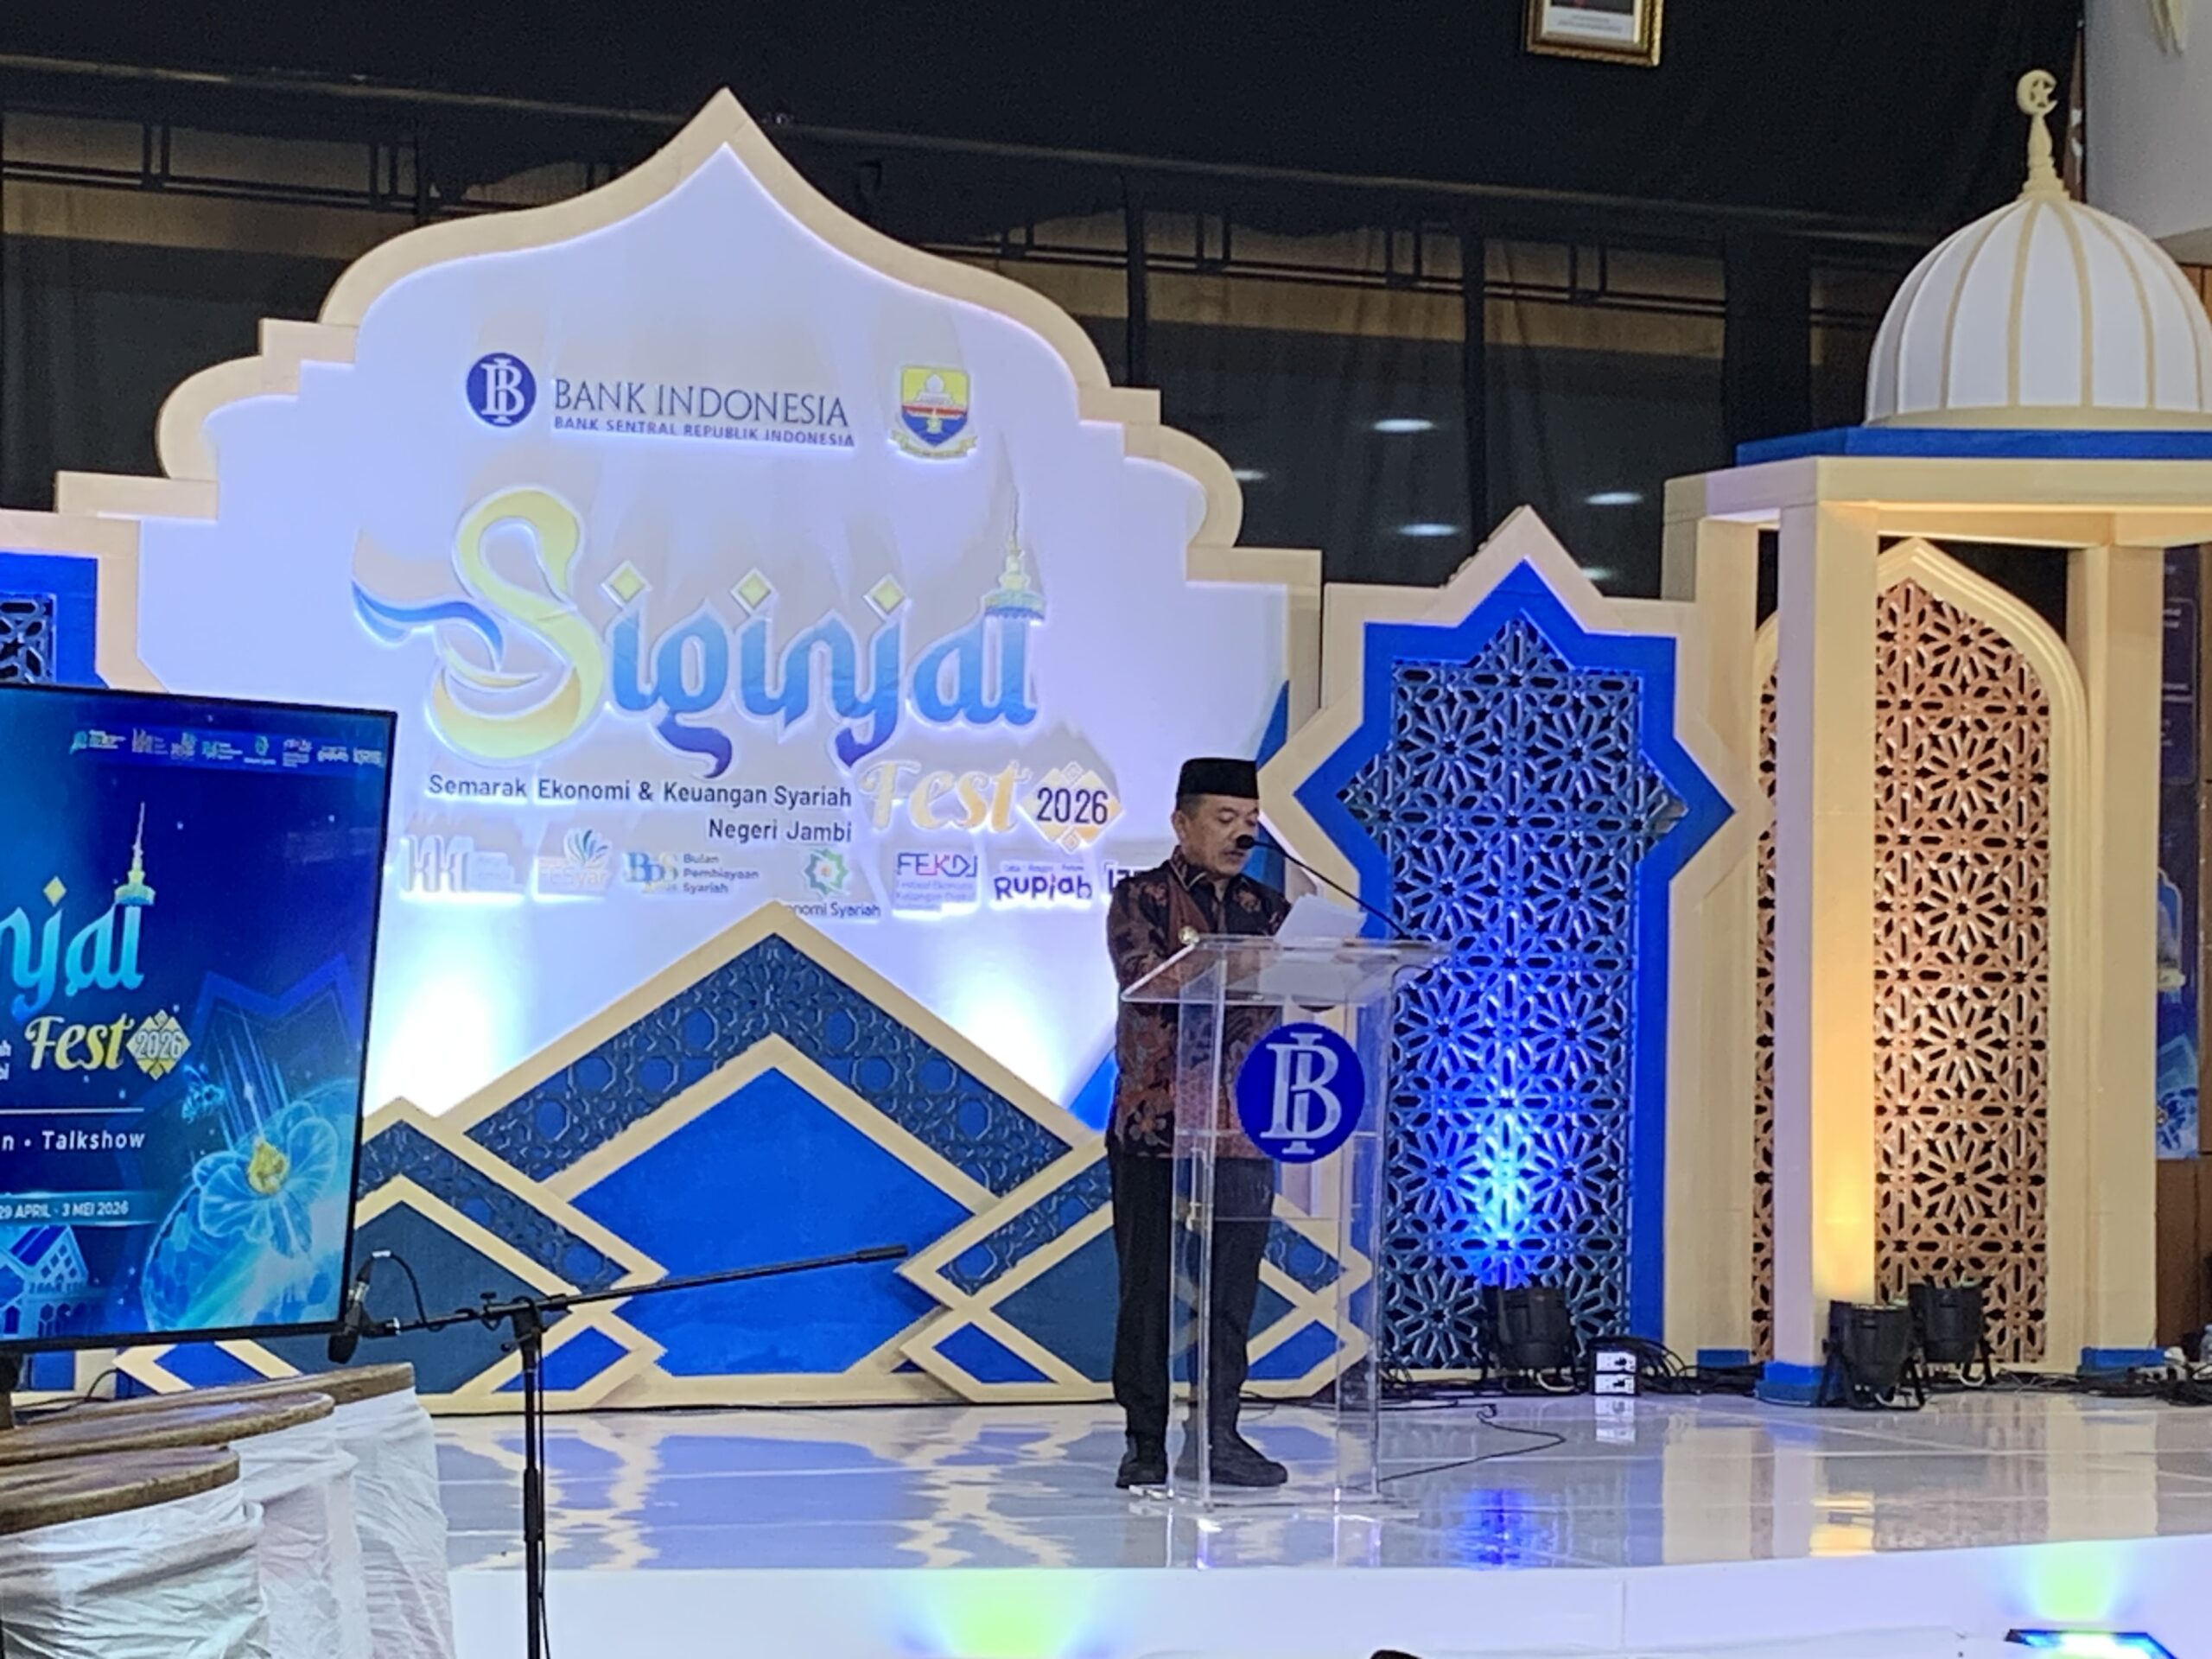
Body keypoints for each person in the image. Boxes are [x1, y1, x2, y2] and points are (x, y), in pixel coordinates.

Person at [1104, 755, 1290, 1489]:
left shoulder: (1269, 910)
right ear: (1182, 824)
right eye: (1225, 819)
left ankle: (1218, 1436)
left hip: (1240, 1126)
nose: (1242, 833)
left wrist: (1325, 956)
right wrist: (1245, 964)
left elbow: (1309, 989)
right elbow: (1147, 978)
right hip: (1154, 1125)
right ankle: (1144, 1442)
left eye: (1251, 821)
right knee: (1146, 1290)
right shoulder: (1140, 898)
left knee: (1230, 1292)